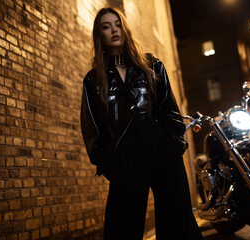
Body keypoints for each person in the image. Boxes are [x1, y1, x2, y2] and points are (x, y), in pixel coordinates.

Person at [80, 7, 203, 240]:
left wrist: (173, 144)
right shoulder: (93, 79)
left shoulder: (151, 65)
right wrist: (109, 164)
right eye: (106, 27)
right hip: (125, 154)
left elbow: (169, 108)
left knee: (178, 222)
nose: (114, 30)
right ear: (100, 36)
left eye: (117, 24)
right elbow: (93, 126)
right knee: (122, 227)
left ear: (124, 28)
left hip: (160, 145)